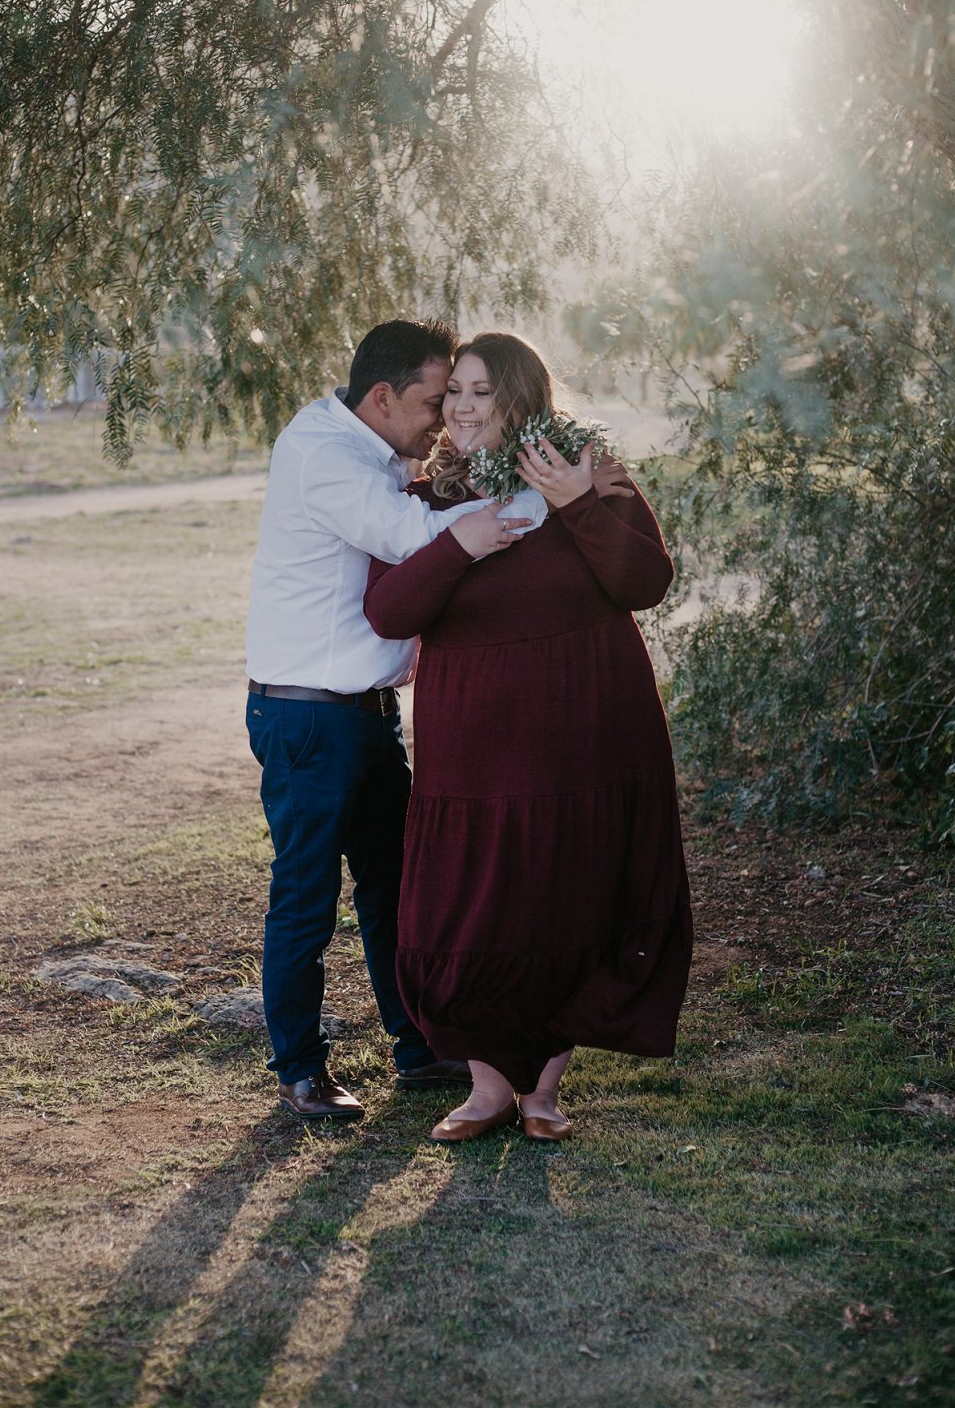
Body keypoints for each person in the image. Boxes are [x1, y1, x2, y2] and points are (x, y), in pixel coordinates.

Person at [364, 332, 693, 1142]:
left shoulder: (586, 472)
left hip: (588, 726)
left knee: (569, 900)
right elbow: (389, 611)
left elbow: (645, 582)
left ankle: (542, 1090)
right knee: (465, 910)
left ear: (524, 398)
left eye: (483, 391)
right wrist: (459, 544)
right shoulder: (424, 496)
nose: (463, 408)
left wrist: (579, 503)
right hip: (474, 739)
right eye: (455, 394)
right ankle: (485, 1087)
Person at [246, 318, 531, 1123]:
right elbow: (408, 539)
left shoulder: (369, 446)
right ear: (381, 396)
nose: (443, 419)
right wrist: (519, 513)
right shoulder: (324, 455)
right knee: (306, 895)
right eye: (433, 402)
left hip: (367, 715)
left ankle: (416, 1048)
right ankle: (300, 1070)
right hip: (307, 717)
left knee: (393, 890)